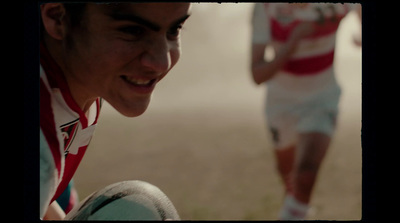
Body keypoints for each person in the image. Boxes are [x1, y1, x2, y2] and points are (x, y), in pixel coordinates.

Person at [39, 3, 191, 220]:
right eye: (132, 31)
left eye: (174, 30)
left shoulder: (87, 80)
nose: (161, 62)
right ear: (58, 18)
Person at [250, 3, 361, 220]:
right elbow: (257, 74)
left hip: (322, 99)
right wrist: (293, 40)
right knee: (291, 181)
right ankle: (297, 210)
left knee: (306, 175)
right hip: (280, 103)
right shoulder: (265, 8)